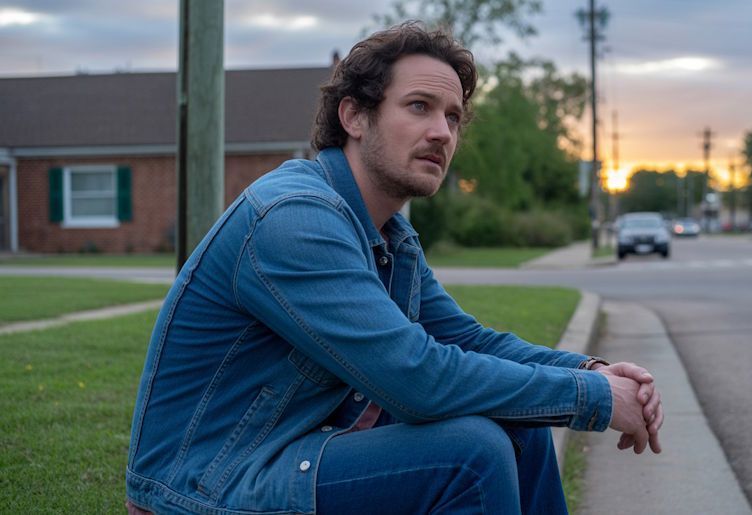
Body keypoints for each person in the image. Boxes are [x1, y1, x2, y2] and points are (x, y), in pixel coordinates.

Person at [125, 22, 663, 515]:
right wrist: (591, 400)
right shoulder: (294, 219)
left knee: (521, 429)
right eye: (419, 107)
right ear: (355, 116)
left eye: (452, 117)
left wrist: (592, 372)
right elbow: (417, 379)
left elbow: (469, 340)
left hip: (284, 450)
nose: (443, 133)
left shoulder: (388, 235)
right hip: (205, 482)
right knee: (470, 454)